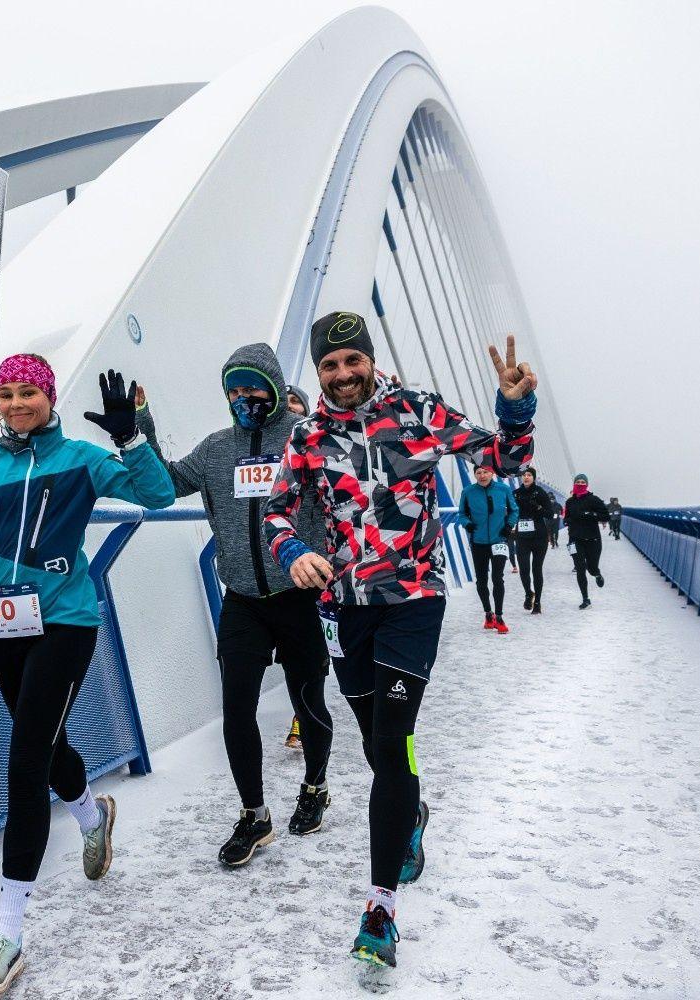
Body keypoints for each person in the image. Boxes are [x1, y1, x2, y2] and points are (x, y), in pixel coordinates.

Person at [263, 312, 537, 968]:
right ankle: (409, 814)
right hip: (344, 606)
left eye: (352, 360)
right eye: (329, 365)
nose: (343, 374)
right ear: (319, 372)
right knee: (375, 743)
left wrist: (514, 410)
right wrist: (294, 550)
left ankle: (380, 909)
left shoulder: (417, 409)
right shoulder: (306, 435)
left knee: (392, 740)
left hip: (413, 598)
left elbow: (500, 461)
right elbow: (274, 511)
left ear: (369, 359)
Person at [0, 355, 174, 995]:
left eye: (28, 391)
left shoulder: (80, 459)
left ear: (50, 397)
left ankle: (7, 933)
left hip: (66, 621)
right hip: (3, 624)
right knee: (46, 748)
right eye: (6, 393)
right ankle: (92, 817)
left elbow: (157, 495)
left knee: (25, 759)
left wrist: (131, 436)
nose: (16, 403)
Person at [134, 346, 334, 867]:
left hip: (299, 595)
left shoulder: (304, 436)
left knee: (308, 698)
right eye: (235, 390)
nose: (244, 398)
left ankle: (315, 787)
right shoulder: (218, 448)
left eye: (253, 388)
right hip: (243, 600)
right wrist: (139, 431)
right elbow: (164, 487)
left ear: (275, 388)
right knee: (237, 709)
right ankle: (254, 814)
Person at [457, 462, 518, 633]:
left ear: (492, 473)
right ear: (475, 475)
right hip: (479, 541)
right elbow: (462, 514)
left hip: (499, 540)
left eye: (485, 472)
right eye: (478, 472)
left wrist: (509, 526)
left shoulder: (503, 489)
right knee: (481, 580)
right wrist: (467, 524)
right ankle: (488, 613)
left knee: (498, 578)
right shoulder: (468, 492)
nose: (482, 475)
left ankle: (499, 616)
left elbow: (514, 510)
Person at [284, 384, 311, 751]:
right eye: (286, 402)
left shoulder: (317, 444)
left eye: (297, 403)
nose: (291, 408)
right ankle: (302, 717)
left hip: (320, 567)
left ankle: (303, 718)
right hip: (283, 568)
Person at [513, 467, 558, 614]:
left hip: (539, 537)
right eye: (524, 475)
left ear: (534, 477)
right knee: (524, 569)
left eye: (529, 475)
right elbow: (508, 511)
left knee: (536, 569)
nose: (526, 477)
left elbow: (550, 514)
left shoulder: (540, 492)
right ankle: (528, 593)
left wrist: (538, 508)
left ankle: (537, 602)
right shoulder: (515, 493)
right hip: (522, 537)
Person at [562, 473, 610, 609]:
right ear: (574, 484)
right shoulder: (570, 502)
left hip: (592, 539)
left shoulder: (594, 500)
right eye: (578, 482)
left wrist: (591, 514)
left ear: (587, 484)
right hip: (575, 539)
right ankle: (585, 599)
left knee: (591, 568)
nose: (580, 484)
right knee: (580, 568)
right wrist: (569, 521)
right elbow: (566, 518)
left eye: (583, 482)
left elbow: (606, 516)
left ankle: (597, 574)